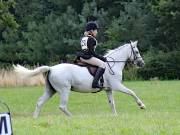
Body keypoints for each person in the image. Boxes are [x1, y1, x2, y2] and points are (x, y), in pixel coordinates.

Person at [77, 21, 106, 89]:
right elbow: (92, 53)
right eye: (96, 30)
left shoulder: (84, 38)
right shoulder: (91, 39)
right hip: (87, 57)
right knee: (102, 65)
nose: (97, 32)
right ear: (91, 31)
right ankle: (95, 83)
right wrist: (102, 58)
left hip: (81, 56)